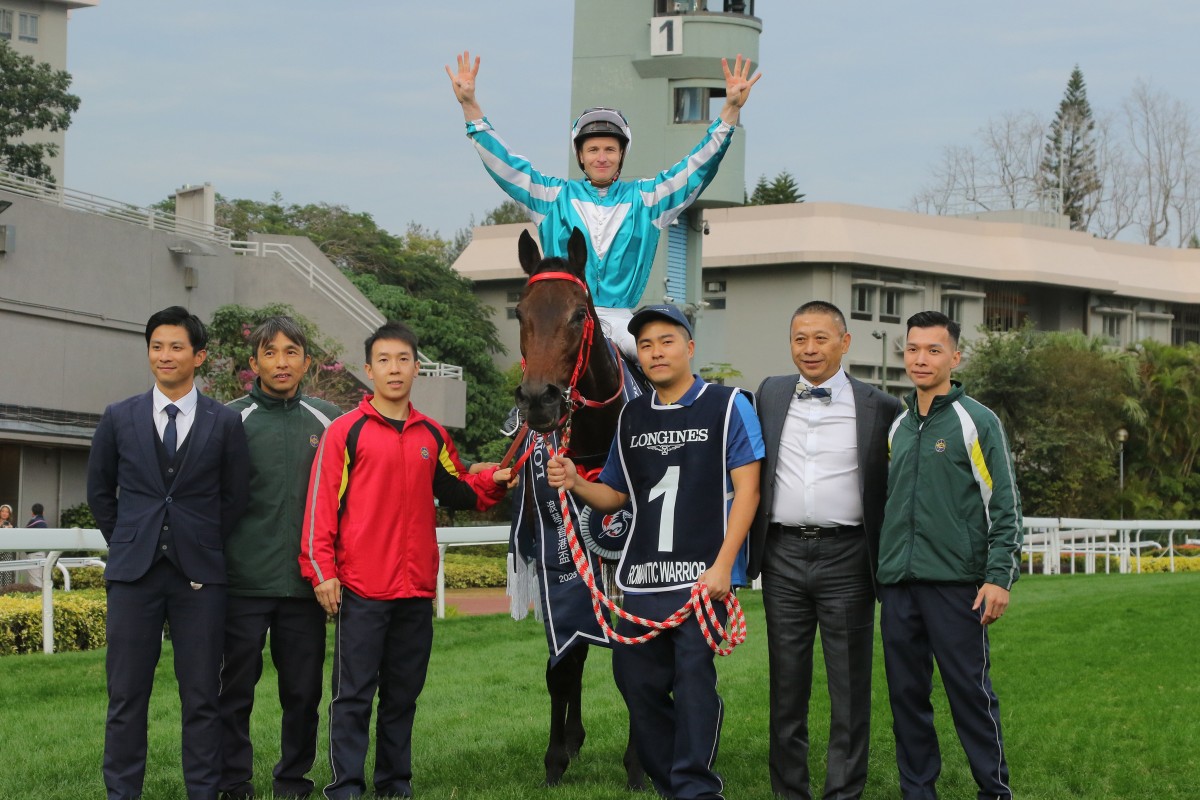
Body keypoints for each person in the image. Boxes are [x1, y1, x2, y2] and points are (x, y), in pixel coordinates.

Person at [547, 304, 763, 800]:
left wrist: (725, 566)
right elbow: (617, 496)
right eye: (645, 345)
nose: (655, 352)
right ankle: (674, 780)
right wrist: (577, 482)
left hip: (701, 580)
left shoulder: (729, 405)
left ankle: (695, 786)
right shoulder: (632, 416)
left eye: (666, 341)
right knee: (636, 684)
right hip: (641, 582)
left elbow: (747, 492)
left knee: (691, 683)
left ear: (689, 347)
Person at [300, 321, 513, 800]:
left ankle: (394, 786)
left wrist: (495, 479)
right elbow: (320, 509)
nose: (394, 369)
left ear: (417, 367)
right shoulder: (345, 432)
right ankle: (346, 787)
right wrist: (323, 573)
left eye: (403, 360)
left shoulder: (432, 434)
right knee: (353, 698)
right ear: (368, 369)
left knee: (402, 698)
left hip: (415, 589)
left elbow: (456, 488)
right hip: (362, 589)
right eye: (384, 360)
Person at [447, 50, 761, 357]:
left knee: (662, 361)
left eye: (610, 149)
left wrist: (729, 112)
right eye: (593, 149)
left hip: (623, 322)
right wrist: (470, 106)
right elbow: (505, 165)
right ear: (580, 156)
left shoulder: (647, 199)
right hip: (563, 318)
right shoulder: (551, 196)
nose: (601, 157)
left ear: (621, 155)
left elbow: (695, 169)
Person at [87, 305, 250, 800]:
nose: (165, 355)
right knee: (126, 696)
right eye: (156, 346)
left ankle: (202, 791)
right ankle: (122, 794)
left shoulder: (225, 422)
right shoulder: (119, 416)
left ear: (199, 355)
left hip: (199, 577)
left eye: (176, 346)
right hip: (133, 576)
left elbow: (235, 497)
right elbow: (100, 492)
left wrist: (197, 540)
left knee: (201, 696)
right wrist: (129, 541)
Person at [749, 301, 902, 800]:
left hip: (849, 559)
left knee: (850, 692)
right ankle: (789, 792)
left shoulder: (881, 407)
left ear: (844, 342)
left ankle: (843, 793)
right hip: (782, 557)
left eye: (820, 338)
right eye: (799, 339)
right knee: (786, 689)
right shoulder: (769, 394)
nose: (809, 349)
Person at [878, 310, 1022, 800]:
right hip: (899, 587)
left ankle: (994, 791)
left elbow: (1004, 505)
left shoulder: (976, 421)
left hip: (959, 587)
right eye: (913, 348)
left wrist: (999, 577)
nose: (921, 358)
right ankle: (919, 792)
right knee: (907, 700)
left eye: (933, 350)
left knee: (970, 696)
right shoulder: (897, 428)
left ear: (955, 357)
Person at [218, 317, 343, 800]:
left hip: (304, 586)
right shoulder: (228, 420)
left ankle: (293, 780)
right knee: (234, 693)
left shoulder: (330, 418)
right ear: (253, 365)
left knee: (303, 694)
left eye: (291, 352)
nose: (282, 362)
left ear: (307, 360)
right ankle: (233, 783)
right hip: (241, 584)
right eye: (270, 353)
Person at [0, 503, 14, 588]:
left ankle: (6, 595)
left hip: (6, 552)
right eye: (3, 511)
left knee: (7, 573)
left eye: (7, 512)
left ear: (9, 514)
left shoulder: (10, 525)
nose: (4, 513)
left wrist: (11, 530)